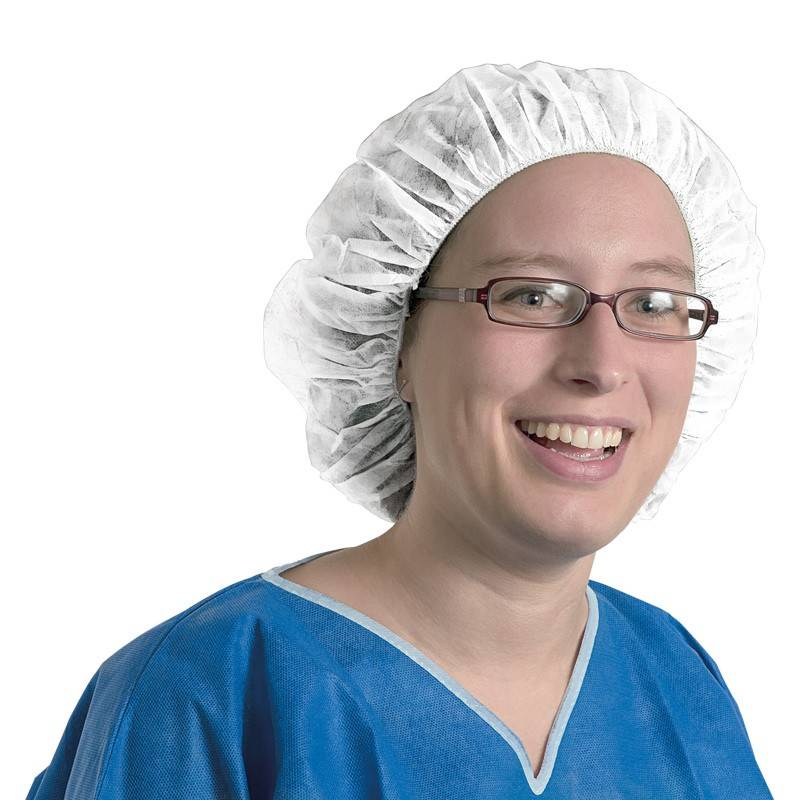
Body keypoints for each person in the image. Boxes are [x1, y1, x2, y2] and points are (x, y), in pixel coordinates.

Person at [26, 61, 772, 799]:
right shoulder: (210, 695)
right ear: (395, 341)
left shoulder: (675, 677)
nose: (602, 365)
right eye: (532, 295)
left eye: (654, 304)